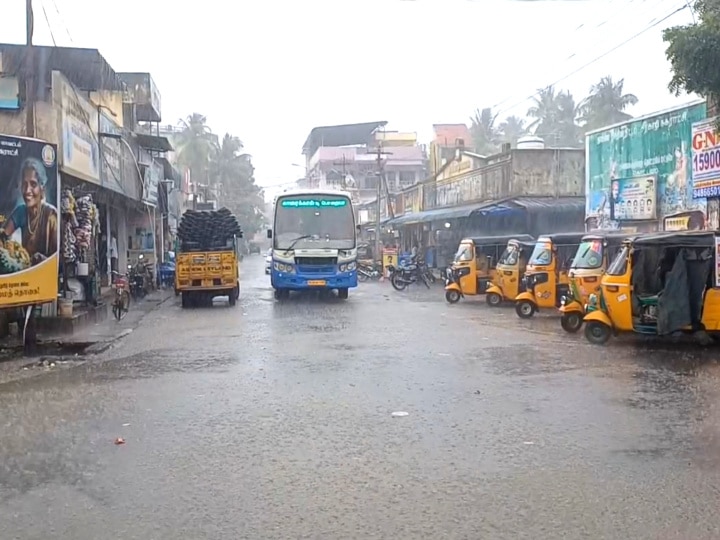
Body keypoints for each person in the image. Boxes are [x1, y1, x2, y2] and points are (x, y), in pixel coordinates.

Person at [2, 157, 58, 264]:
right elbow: (3, 236)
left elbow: (57, 261)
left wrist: (42, 261)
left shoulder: (51, 215)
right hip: (25, 276)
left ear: (42, 189)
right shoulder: (21, 212)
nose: (27, 191)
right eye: (24, 184)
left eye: (33, 184)